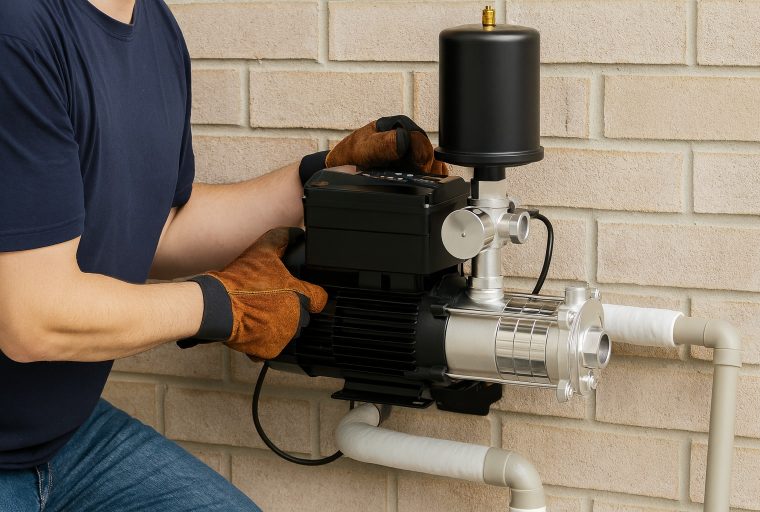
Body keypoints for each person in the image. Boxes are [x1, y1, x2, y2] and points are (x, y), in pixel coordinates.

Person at [0, 0, 448, 510]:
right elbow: (33, 319)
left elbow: (157, 230)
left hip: (63, 437)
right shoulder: (18, 31)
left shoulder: (155, 28)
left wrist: (317, 179)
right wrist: (223, 305)